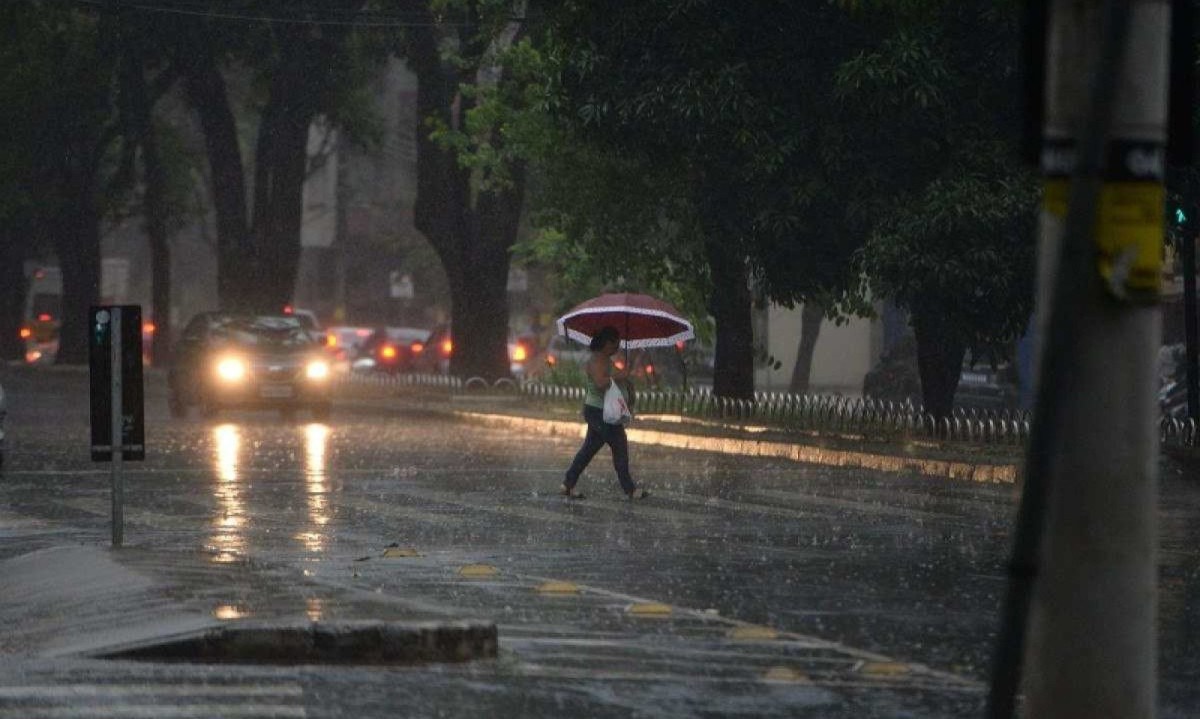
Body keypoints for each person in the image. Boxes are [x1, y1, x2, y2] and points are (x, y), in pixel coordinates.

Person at [562, 326, 650, 500]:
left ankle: (567, 484)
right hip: (599, 412)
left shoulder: (605, 360)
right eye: (615, 344)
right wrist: (618, 377)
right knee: (619, 446)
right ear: (606, 343)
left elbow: (614, 380)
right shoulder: (597, 360)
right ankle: (630, 489)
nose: (617, 347)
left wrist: (624, 376)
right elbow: (601, 383)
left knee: (588, 450)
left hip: (601, 412)